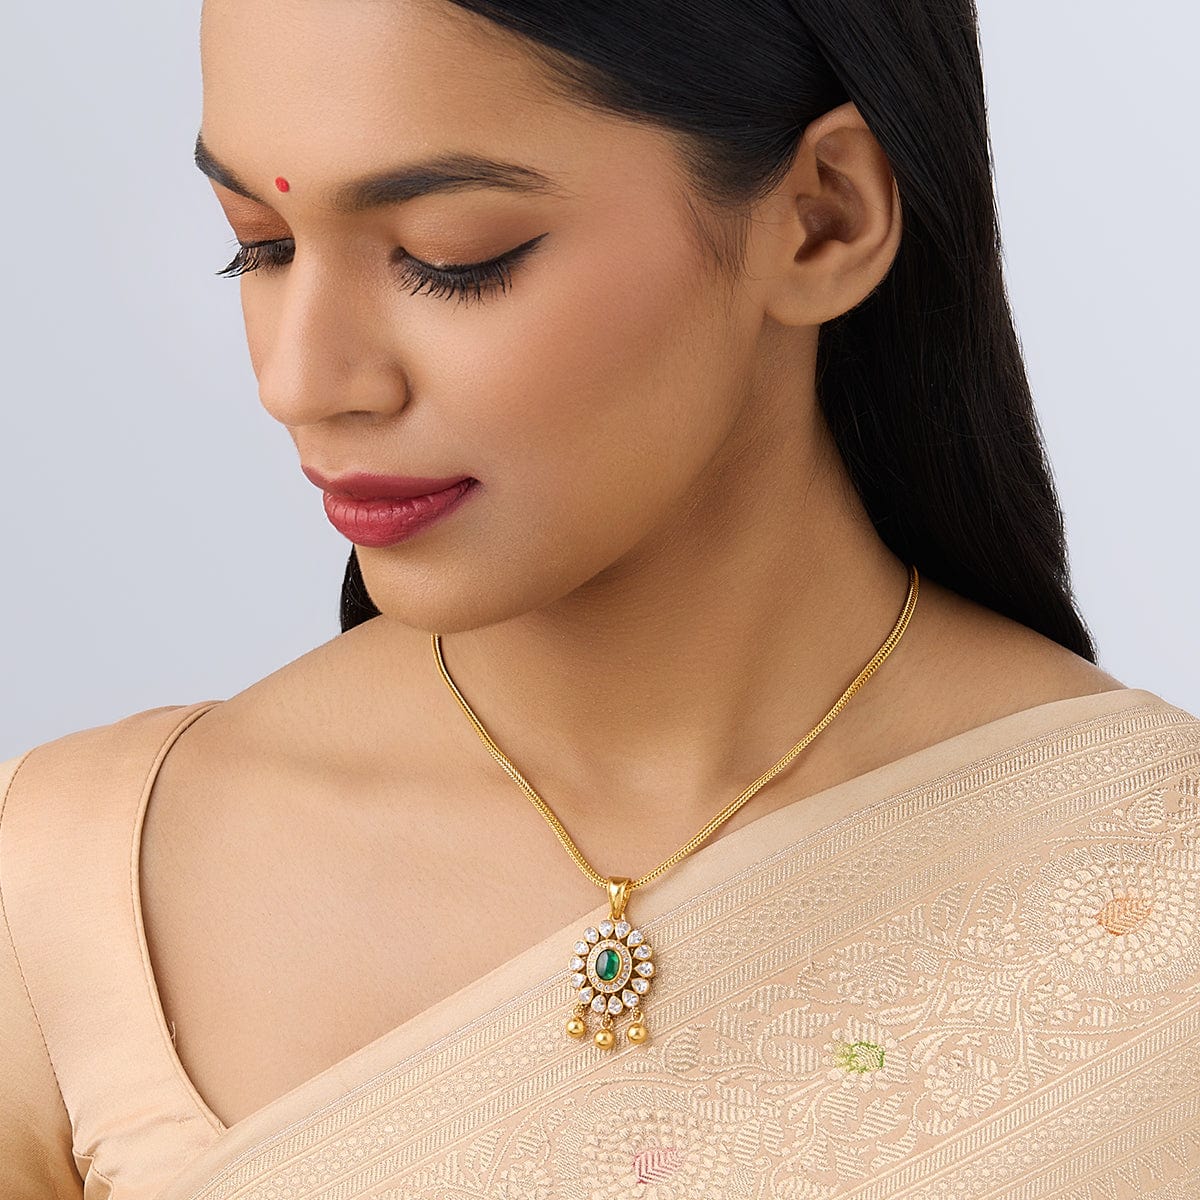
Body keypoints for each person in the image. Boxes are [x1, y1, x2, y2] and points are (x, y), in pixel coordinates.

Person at [3, 0, 1197, 1196]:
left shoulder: (1160, 893)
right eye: (259, 247)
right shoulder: (77, 887)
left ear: (822, 218)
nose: (300, 381)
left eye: (451, 256)